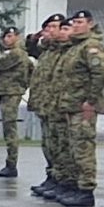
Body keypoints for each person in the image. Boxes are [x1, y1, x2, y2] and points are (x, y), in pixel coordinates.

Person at [52, 9, 104, 207]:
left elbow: (100, 73)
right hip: (71, 106)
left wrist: (91, 101)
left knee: (83, 148)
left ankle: (86, 190)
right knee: (73, 148)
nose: (76, 25)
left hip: (83, 107)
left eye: (80, 22)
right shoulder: (74, 47)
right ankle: (76, 186)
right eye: (74, 22)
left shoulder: (90, 46)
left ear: (90, 24)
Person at [27, 16, 69, 197]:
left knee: (60, 147)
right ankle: (51, 177)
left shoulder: (64, 50)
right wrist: (35, 38)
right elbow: (30, 49)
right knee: (49, 146)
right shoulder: (48, 50)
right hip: (45, 104)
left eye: (54, 27)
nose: (50, 30)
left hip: (58, 105)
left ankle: (61, 180)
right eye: (47, 27)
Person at [0, 28, 30, 178]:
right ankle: (10, 163)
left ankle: (11, 164)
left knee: (10, 128)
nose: (6, 39)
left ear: (17, 37)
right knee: (8, 127)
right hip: (8, 92)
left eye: (10, 36)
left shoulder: (15, 53)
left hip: (11, 93)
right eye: (5, 37)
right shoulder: (19, 53)